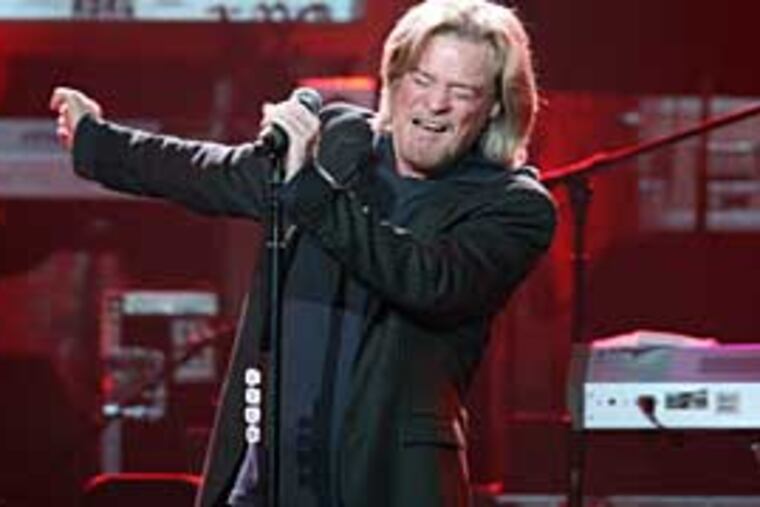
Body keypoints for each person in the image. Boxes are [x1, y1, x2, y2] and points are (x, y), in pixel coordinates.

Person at [49, 0, 556, 505]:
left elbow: (430, 281)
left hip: (387, 482)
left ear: (495, 107)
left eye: (461, 91)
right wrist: (98, 143)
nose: (435, 103)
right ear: (395, 79)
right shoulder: (339, 141)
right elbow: (215, 172)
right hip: (269, 476)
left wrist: (311, 189)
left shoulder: (512, 205)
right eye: (423, 80)